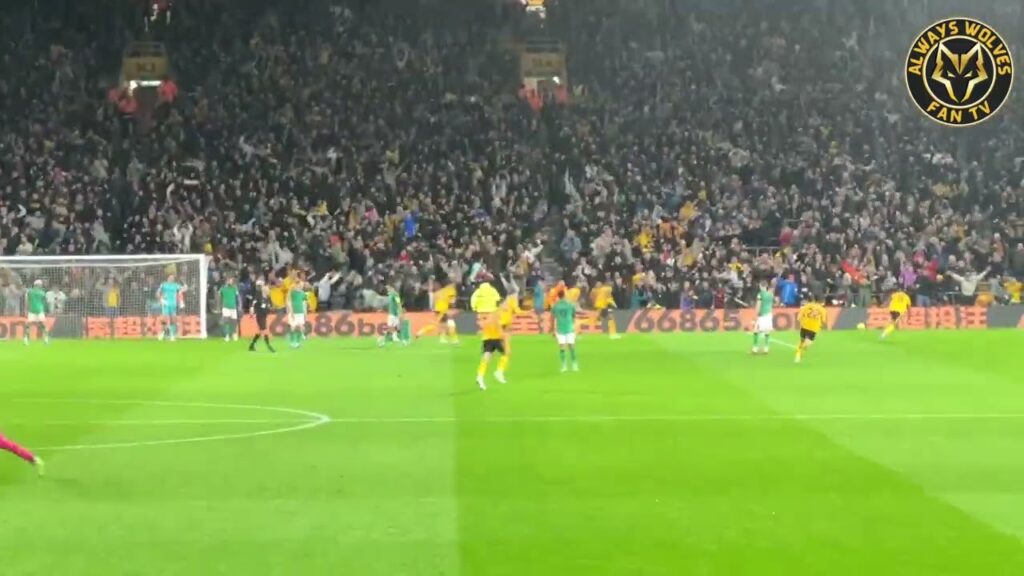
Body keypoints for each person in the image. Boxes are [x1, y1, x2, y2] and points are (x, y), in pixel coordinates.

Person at [471, 281, 505, 390]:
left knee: (487, 355)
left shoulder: (477, 293)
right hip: (494, 331)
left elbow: (473, 303)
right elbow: (498, 300)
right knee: (506, 353)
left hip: (486, 333)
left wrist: (477, 310)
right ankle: (499, 372)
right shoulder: (492, 291)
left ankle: (480, 376)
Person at [550, 289, 579, 372]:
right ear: (565, 295)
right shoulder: (570, 304)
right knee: (571, 347)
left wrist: (552, 330)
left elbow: (552, 318)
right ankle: (574, 365)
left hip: (560, 329)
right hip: (569, 328)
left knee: (562, 347)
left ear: (558, 296)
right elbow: (574, 315)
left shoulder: (555, 306)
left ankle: (564, 366)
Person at [794, 296, 827, 364]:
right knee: (808, 343)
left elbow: (800, 315)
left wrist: (800, 319)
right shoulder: (822, 309)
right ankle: (799, 353)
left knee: (802, 341)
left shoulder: (807, 306)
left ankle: (798, 353)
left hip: (804, 326)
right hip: (813, 328)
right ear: (822, 302)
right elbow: (823, 321)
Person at [248, 280, 275, 353]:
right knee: (264, 330)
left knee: (259, 332)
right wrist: (251, 310)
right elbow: (252, 303)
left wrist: (271, 308)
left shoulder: (268, 298)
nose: (268, 290)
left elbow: (270, 306)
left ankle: (252, 345)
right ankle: (269, 345)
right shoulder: (258, 297)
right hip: (260, 316)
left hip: (264, 315)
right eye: (267, 289)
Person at [157, 274, 186, 341]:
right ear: (168, 278)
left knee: (173, 319)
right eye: (170, 277)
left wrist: (184, 282)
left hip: (173, 304)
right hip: (166, 304)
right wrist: (161, 300)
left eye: (172, 278)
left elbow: (184, 289)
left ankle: (172, 335)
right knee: (165, 319)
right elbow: (158, 293)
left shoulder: (176, 285)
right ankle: (162, 333)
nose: (171, 278)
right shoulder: (163, 284)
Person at [751, 280, 774, 354]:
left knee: (756, 330)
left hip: (762, 314)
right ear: (766, 286)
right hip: (769, 314)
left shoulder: (760, 294)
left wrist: (757, 313)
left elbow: (758, 304)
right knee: (767, 331)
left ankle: (755, 348)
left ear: (761, 286)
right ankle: (766, 348)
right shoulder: (771, 294)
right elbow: (771, 304)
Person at [24, 280, 49, 345]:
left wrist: (26, 309)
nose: (41, 285)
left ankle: (26, 339)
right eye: (40, 284)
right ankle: (46, 339)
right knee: (42, 325)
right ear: (37, 285)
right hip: (39, 310)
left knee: (28, 325)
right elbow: (45, 302)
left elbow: (26, 301)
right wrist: (46, 310)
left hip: (32, 310)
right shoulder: (42, 293)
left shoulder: (29, 291)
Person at [286, 279, 308, 349]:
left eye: (302, 285)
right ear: (296, 285)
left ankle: (298, 342)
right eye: (300, 284)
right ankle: (292, 342)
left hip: (300, 312)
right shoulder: (291, 292)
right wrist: (291, 312)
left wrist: (305, 313)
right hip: (293, 312)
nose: (301, 286)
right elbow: (289, 302)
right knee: (293, 327)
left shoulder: (303, 293)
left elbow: (304, 303)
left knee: (300, 327)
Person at [219, 276, 240, 342]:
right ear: (227, 281)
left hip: (233, 307)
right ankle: (227, 335)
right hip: (226, 307)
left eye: (231, 280)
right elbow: (219, 294)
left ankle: (234, 334)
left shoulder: (234, 288)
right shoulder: (223, 288)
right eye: (229, 280)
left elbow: (238, 296)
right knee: (226, 321)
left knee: (234, 321)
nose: (230, 282)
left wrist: (239, 305)